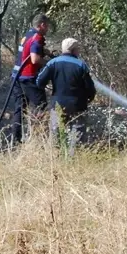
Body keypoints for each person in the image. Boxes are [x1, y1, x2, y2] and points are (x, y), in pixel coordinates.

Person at [35, 37, 97, 155]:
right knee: (77, 136)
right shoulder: (81, 65)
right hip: (78, 106)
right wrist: (90, 97)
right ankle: (73, 160)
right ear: (74, 50)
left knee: (56, 135)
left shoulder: (52, 63)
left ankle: (57, 159)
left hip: (58, 104)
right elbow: (90, 88)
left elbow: (39, 82)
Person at [9, 13, 51, 143]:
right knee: (42, 106)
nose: (48, 28)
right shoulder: (37, 37)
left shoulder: (27, 35)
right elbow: (34, 59)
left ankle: (15, 140)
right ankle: (39, 139)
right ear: (42, 25)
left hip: (17, 77)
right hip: (29, 78)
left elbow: (28, 51)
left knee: (19, 109)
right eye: (47, 25)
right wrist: (50, 63)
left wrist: (44, 51)